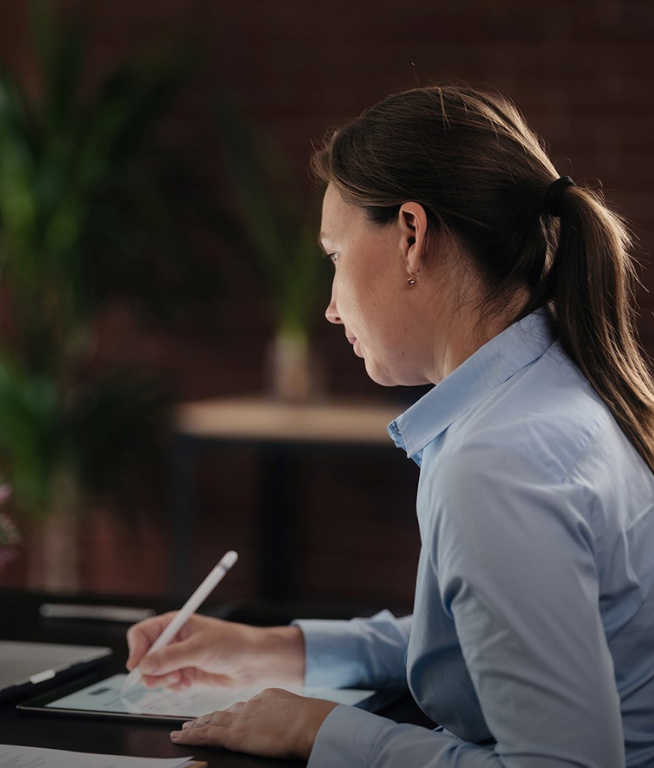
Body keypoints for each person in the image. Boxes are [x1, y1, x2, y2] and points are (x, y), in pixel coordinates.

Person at [126, 85, 654, 766]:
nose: (331, 309)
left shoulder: (496, 462)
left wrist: (322, 733)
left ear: (411, 235)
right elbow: (495, 643)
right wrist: (275, 649)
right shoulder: (559, 387)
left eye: (335, 257)